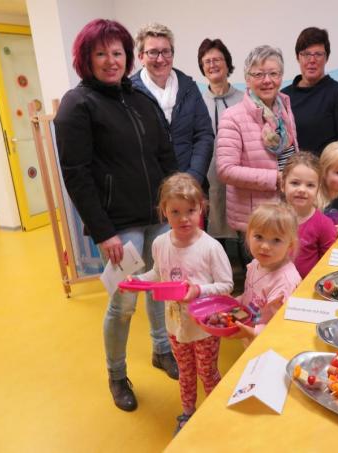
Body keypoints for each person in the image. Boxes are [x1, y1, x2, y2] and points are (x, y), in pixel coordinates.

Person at [53, 18, 179, 413]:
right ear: (86, 58)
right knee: (123, 302)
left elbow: (165, 156)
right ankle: (117, 374)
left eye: (117, 53)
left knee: (158, 288)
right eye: (101, 53)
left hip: (157, 214)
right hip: (118, 226)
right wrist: (103, 231)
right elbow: (77, 175)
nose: (110, 61)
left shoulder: (140, 98)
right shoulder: (78, 104)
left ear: (128, 56)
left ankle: (161, 349)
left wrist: (175, 204)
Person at [132, 173, 233, 435]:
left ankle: (216, 413)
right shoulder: (160, 243)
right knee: (186, 374)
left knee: (208, 373)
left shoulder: (210, 247)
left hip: (205, 326)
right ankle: (188, 412)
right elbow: (158, 273)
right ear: (164, 211)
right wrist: (138, 280)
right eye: (175, 211)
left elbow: (226, 285)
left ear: (202, 208)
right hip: (176, 325)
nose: (184, 218)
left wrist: (199, 290)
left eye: (191, 210)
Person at [216, 45, 299, 236]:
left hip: (288, 208)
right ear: (247, 79)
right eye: (259, 74)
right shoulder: (232, 116)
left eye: (273, 73)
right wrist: (274, 178)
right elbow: (225, 170)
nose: (267, 81)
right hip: (255, 217)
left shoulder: (284, 108)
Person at [130, 23, 214, 190]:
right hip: (150, 193)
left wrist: (193, 179)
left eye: (166, 51)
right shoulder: (129, 93)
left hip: (193, 188)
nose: (161, 59)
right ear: (140, 56)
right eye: (153, 52)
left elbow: (204, 135)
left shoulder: (189, 88)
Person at [231, 203, 301, 345]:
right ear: (248, 236)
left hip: (268, 343)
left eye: (276, 240)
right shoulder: (257, 263)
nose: (265, 246)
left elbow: (282, 325)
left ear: (290, 245)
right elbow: (251, 296)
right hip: (249, 332)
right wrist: (233, 303)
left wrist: (253, 332)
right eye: (259, 236)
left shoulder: (285, 283)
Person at [281, 27, 338, 156]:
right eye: (306, 54)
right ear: (298, 57)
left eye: (318, 54)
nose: (312, 60)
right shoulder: (284, 96)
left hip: (326, 173)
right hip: (293, 173)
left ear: (326, 58)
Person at [197, 38, 244, 243]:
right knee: (213, 224)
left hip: (240, 175)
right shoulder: (195, 102)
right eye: (207, 61)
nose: (213, 65)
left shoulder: (245, 99)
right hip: (208, 177)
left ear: (227, 64)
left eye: (217, 59)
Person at [280, 152, 337, 278]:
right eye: (295, 183)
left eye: (310, 185)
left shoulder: (324, 224)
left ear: (318, 189)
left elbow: (328, 263)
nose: (302, 189)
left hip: (306, 289)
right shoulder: (273, 219)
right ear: (282, 184)